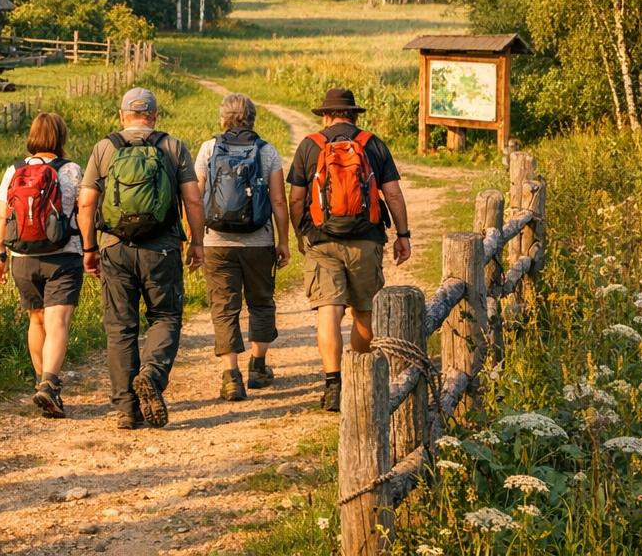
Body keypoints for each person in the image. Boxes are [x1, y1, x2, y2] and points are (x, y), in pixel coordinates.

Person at [76, 88, 204, 429]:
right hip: (162, 247)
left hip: (114, 247)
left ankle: (126, 411)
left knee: (120, 327)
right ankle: (151, 373)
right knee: (165, 316)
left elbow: (87, 203)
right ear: (155, 115)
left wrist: (89, 249)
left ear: (122, 115)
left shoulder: (105, 148)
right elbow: (193, 200)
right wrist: (197, 242)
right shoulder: (173, 146)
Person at [287, 87, 412, 413]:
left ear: (326, 115)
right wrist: (403, 234)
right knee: (365, 311)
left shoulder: (310, 145)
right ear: (354, 114)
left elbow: (296, 199)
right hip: (366, 239)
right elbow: (393, 195)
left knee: (329, 310)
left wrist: (301, 233)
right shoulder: (372, 144)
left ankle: (333, 384)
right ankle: (358, 375)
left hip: (322, 240)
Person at [194, 93, 290, 401]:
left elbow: (196, 196)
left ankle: (230, 376)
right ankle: (258, 367)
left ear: (223, 118)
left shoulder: (209, 149)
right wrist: (284, 241)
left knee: (224, 307)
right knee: (260, 302)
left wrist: (195, 239)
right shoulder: (267, 151)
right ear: (252, 118)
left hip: (216, 242)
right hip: (259, 241)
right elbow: (277, 200)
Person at [0, 112, 84, 418]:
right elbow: (82, 212)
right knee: (57, 322)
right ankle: (49, 384)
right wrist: (91, 248)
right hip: (64, 255)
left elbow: (1, 216)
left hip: (22, 257)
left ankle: (39, 384)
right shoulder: (71, 171)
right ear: (61, 137)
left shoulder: (14, 170)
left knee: (36, 320)